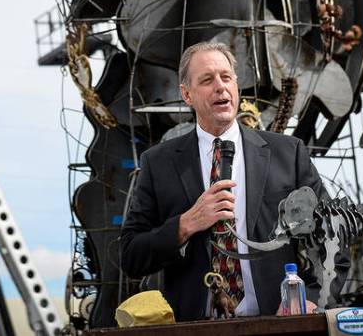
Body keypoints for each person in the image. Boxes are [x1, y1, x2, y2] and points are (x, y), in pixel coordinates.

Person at [119, 41, 334, 321]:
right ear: (187, 94)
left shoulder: (288, 154)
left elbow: (332, 234)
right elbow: (131, 256)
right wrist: (186, 224)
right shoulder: (158, 163)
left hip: (280, 324)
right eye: (207, 80)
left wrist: (312, 300)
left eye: (226, 77)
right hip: (198, 328)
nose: (220, 87)